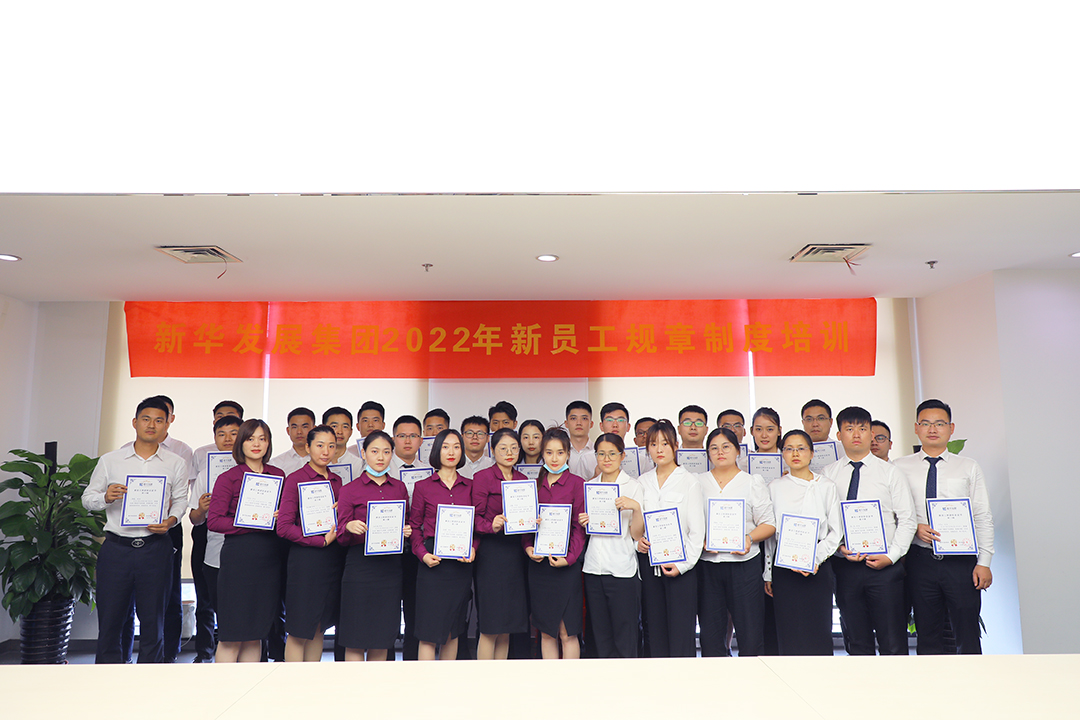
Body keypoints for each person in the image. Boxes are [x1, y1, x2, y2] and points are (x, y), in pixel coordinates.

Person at [81, 397, 189, 664]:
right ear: (135, 422)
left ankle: (149, 679)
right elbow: (88, 499)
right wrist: (106, 497)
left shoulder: (175, 462)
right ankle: (108, 676)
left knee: (154, 621)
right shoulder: (111, 460)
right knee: (110, 621)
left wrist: (171, 520)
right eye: (146, 419)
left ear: (167, 425)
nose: (152, 425)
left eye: (159, 420)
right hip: (117, 549)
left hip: (155, 549)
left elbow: (181, 500)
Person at [893, 399, 994, 655]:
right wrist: (914, 527)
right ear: (916, 428)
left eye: (939, 423)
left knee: (967, 631)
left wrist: (984, 562)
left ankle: (972, 678)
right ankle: (932, 680)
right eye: (925, 423)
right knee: (927, 632)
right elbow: (892, 513)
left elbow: (982, 516)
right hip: (920, 560)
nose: (932, 429)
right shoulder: (899, 467)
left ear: (951, 428)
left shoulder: (968, 467)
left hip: (960, 560)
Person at [822, 406, 916, 656]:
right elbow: (825, 521)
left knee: (892, 641)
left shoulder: (890, 473)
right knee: (856, 640)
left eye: (862, 428)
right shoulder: (828, 474)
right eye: (849, 429)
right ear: (839, 435)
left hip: (885, 568)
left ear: (871, 433)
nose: (856, 434)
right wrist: (839, 549)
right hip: (845, 567)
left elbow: (907, 520)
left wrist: (891, 557)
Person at [207, 419, 286, 663]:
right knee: (232, 634)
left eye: (262, 439)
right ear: (241, 443)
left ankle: (248, 685)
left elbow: (286, 517)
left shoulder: (278, 475)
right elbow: (214, 521)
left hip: (269, 558)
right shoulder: (228, 478)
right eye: (250, 438)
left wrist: (280, 517)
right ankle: (225, 685)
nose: (256, 444)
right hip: (238, 559)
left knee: (255, 634)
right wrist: (249, 522)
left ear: (269, 443)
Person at [696, 428, 775, 657]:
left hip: (744, 567)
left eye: (726, 447)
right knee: (710, 635)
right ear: (707, 453)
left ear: (738, 451)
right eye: (714, 448)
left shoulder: (751, 482)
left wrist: (748, 538)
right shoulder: (697, 482)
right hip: (708, 566)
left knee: (750, 634)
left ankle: (751, 676)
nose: (720, 452)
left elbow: (769, 524)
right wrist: (700, 541)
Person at [765, 429, 842, 656]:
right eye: (789, 449)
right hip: (784, 565)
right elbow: (771, 534)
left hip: (818, 564)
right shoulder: (774, 487)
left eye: (801, 448)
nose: (795, 453)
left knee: (818, 627)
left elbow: (836, 531)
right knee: (788, 628)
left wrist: (813, 559)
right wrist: (768, 573)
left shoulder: (826, 486)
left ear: (811, 453)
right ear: (782, 454)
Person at [336, 430, 411, 661]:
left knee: (382, 636)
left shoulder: (399, 488)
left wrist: (406, 531)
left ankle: (377, 683)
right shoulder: (349, 489)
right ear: (364, 453)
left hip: (390, 568)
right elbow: (340, 536)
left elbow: (406, 522)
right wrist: (349, 527)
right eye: (375, 451)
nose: (380, 457)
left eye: (386, 452)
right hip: (360, 567)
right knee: (355, 636)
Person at [276, 425, 346, 662]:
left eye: (331, 446)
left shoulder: (337, 481)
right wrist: (319, 541)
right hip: (305, 561)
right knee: (299, 628)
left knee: (319, 626)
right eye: (320, 445)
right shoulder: (295, 479)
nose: (326, 451)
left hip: (331, 560)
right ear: (307, 447)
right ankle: (292, 680)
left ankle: (311, 679)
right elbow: (284, 526)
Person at [635, 420, 704, 657]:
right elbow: (636, 524)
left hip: (681, 567)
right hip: (650, 566)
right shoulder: (642, 482)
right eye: (653, 444)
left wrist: (682, 565)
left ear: (675, 446)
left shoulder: (689, 481)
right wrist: (638, 542)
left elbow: (697, 532)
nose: (659, 449)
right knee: (654, 630)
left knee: (681, 632)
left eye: (665, 443)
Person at [409, 429, 479, 660]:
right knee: (428, 631)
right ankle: (426, 680)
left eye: (456, 447)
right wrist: (422, 554)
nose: (451, 452)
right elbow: (414, 527)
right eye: (446, 447)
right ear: (437, 450)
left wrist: (473, 548)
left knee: (453, 629)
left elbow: (477, 526)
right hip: (432, 563)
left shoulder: (471, 486)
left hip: (460, 565)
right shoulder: (423, 486)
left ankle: (446, 680)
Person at [578, 433, 644, 658]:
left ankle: (627, 677)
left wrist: (635, 508)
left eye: (612, 454)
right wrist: (584, 521)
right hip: (594, 567)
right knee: (600, 634)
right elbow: (587, 530)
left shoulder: (633, 486)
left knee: (625, 633)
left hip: (622, 568)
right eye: (601, 454)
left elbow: (636, 534)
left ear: (622, 456)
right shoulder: (589, 486)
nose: (606, 459)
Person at [525, 428, 587, 659]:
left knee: (567, 632)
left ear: (568, 454)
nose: (554, 458)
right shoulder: (534, 486)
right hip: (539, 567)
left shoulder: (577, 484)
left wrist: (569, 559)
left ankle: (570, 680)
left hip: (566, 567)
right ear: (542, 454)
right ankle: (549, 679)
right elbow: (526, 527)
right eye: (549, 452)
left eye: (560, 452)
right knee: (546, 631)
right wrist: (528, 547)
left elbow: (579, 528)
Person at [186, 414, 242, 662]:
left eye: (234, 433)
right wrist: (201, 509)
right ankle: (209, 653)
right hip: (216, 550)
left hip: (251, 551)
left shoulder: (259, 471)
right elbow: (194, 519)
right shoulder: (206, 473)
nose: (228, 439)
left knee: (249, 613)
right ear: (215, 438)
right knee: (215, 606)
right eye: (222, 434)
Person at [472, 428, 531, 660]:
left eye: (514, 448)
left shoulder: (523, 480)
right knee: (491, 624)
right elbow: (475, 519)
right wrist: (491, 525)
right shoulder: (483, 477)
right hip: (491, 555)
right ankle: (484, 677)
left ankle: (500, 677)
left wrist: (533, 521)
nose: (509, 453)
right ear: (492, 450)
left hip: (515, 556)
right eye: (503, 448)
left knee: (507, 624)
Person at [387, 413, 431, 661]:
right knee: (388, 607)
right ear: (394, 438)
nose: (407, 441)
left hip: (417, 548)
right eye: (402, 435)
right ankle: (387, 660)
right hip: (388, 549)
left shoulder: (429, 471)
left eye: (413, 436)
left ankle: (412, 661)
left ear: (421, 440)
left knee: (415, 608)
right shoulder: (381, 467)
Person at [324, 406, 365, 481]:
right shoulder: (314, 463)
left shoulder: (359, 465)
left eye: (345, 427)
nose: (340, 432)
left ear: (351, 432)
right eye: (334, 426)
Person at [270, 407, 315, 476]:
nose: (299, 432)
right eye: (294, 427)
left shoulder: (324, 460)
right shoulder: (275, 464)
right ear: (288, 431)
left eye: (305, 427)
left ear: (314, 429)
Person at [565, 401, 597, 478]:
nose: (579, 423)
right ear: (566, 423)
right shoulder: (560, 452)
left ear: (591, 424)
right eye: (573, 418)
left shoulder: (598, 452)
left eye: (584, 418)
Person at [459, 415, 494, 479]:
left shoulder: (493, 465)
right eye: (470, 433)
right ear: (461, 437)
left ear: (488, 438)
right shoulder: (453, 465)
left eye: (480, 434)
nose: (475, 437)